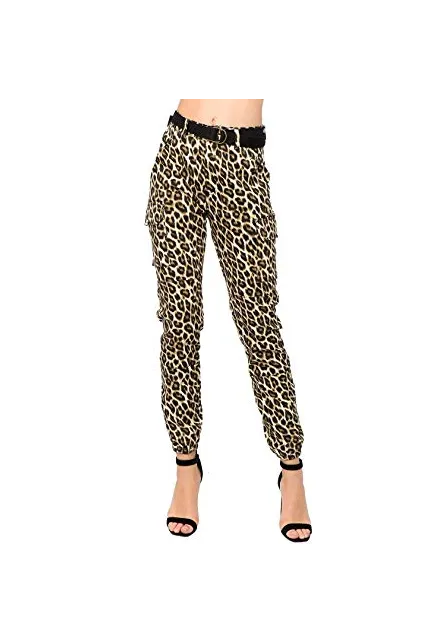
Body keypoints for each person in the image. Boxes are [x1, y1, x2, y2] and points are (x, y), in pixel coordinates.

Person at [145, 97, 312, 542]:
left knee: (260, 326)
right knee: (179, 322)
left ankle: (291, 469)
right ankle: (186, 467)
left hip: (243, 164)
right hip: (179, 153)